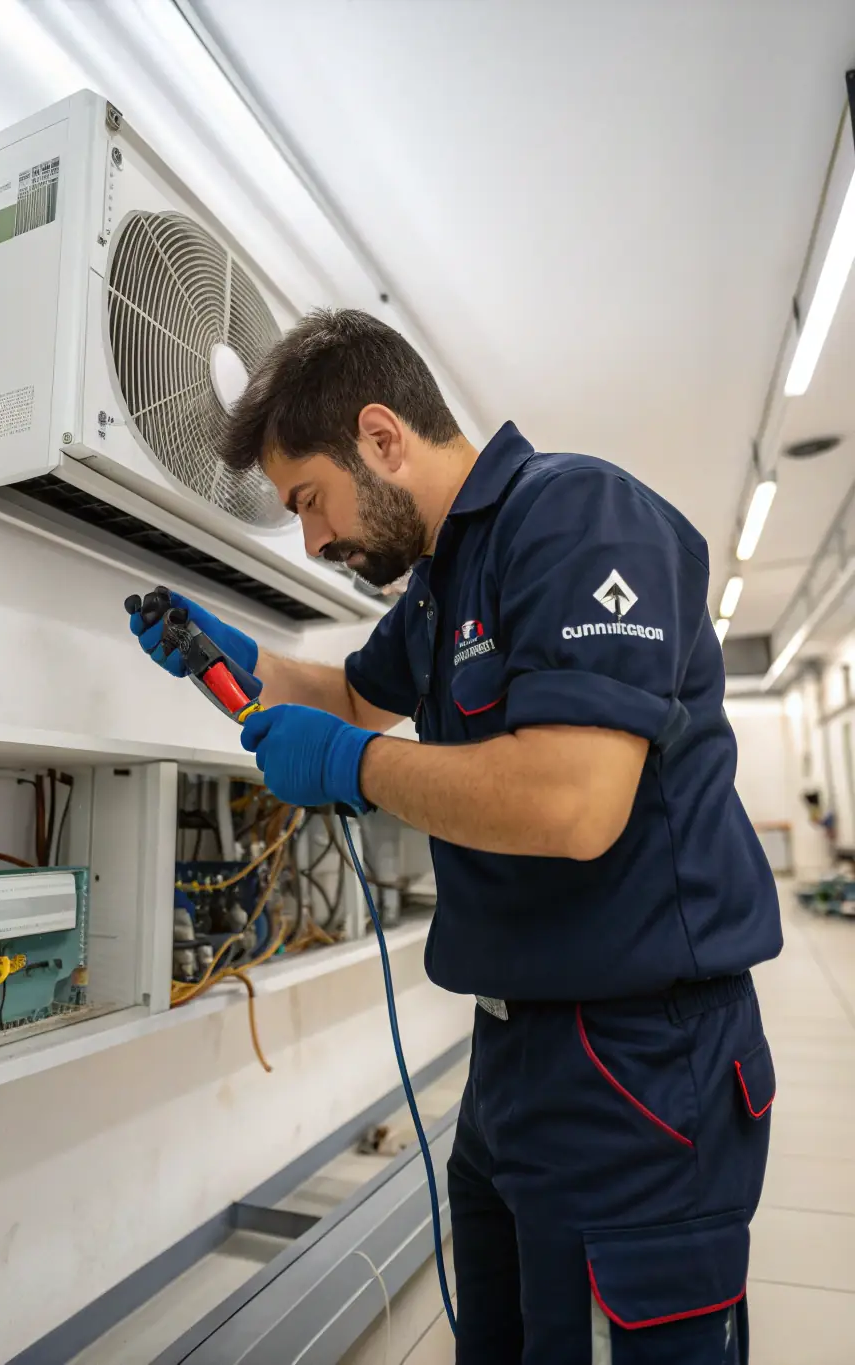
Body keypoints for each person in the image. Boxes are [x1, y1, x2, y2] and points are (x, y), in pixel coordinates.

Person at [129, 309, 782, 1364]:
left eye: (309, 502)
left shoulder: (578, 519)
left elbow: (574, 804)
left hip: (642, 1059)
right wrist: (232, 661)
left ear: (382, 438)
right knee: (505, 1337)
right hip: (513, 1053)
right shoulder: (444, 581)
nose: (315, 539)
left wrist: (350, 769)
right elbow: (350, 695)